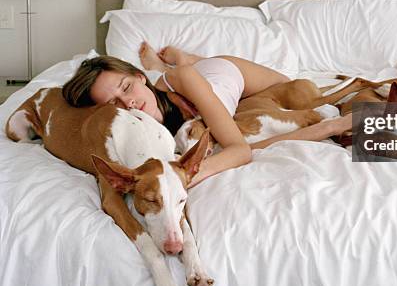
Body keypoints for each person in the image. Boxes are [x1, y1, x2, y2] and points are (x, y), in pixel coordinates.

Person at [62, 43, 353, 188]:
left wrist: (187, 175)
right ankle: (166, 65)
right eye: (114, 103)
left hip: (232, 77)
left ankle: (182, 59)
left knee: (293, 90)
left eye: (127, 87)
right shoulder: (131, 120)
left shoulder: (186, 80)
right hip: (190, 89)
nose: (129, 103)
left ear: (139, 78)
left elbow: (239, 150)